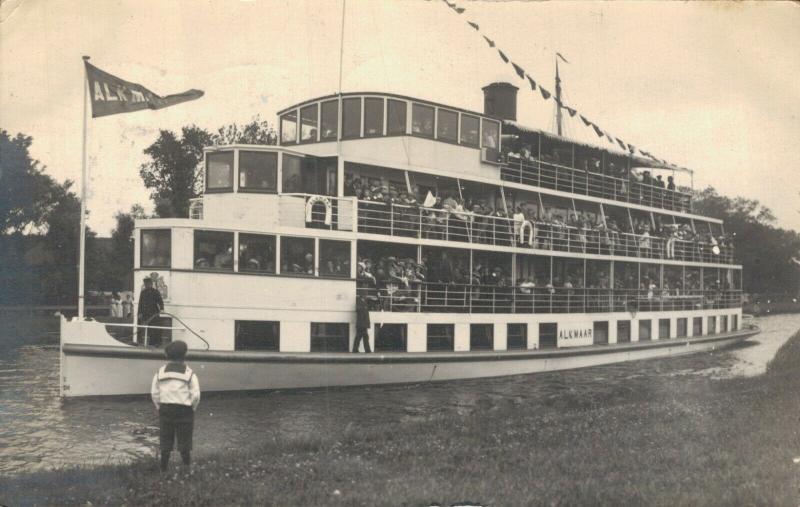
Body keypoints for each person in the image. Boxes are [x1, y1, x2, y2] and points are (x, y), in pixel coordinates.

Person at [151, 340, 200, 472]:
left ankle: (163, 468)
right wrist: (192, 407)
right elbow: (195, 395)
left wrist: (159, 406)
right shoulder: (189, 373)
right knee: (185, 441)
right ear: (185, 355)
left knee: (165, 440)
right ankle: (187, 466)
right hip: (184, 410)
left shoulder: (160, 373)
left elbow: (154, 392)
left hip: (166, 409)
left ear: (167, 356)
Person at [138, 277, 164, 346]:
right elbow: (140, 303)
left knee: (155, 328)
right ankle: (149, 342)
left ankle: (156, 342)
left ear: (151, 284)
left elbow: (160, 301)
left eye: (148, 284)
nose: (147, 285)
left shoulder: (155, 292)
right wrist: (139, 313)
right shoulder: (143, 292)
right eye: (145, 284)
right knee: (148, 329)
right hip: (145, 314)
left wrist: (162, 309)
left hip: (154, 313)